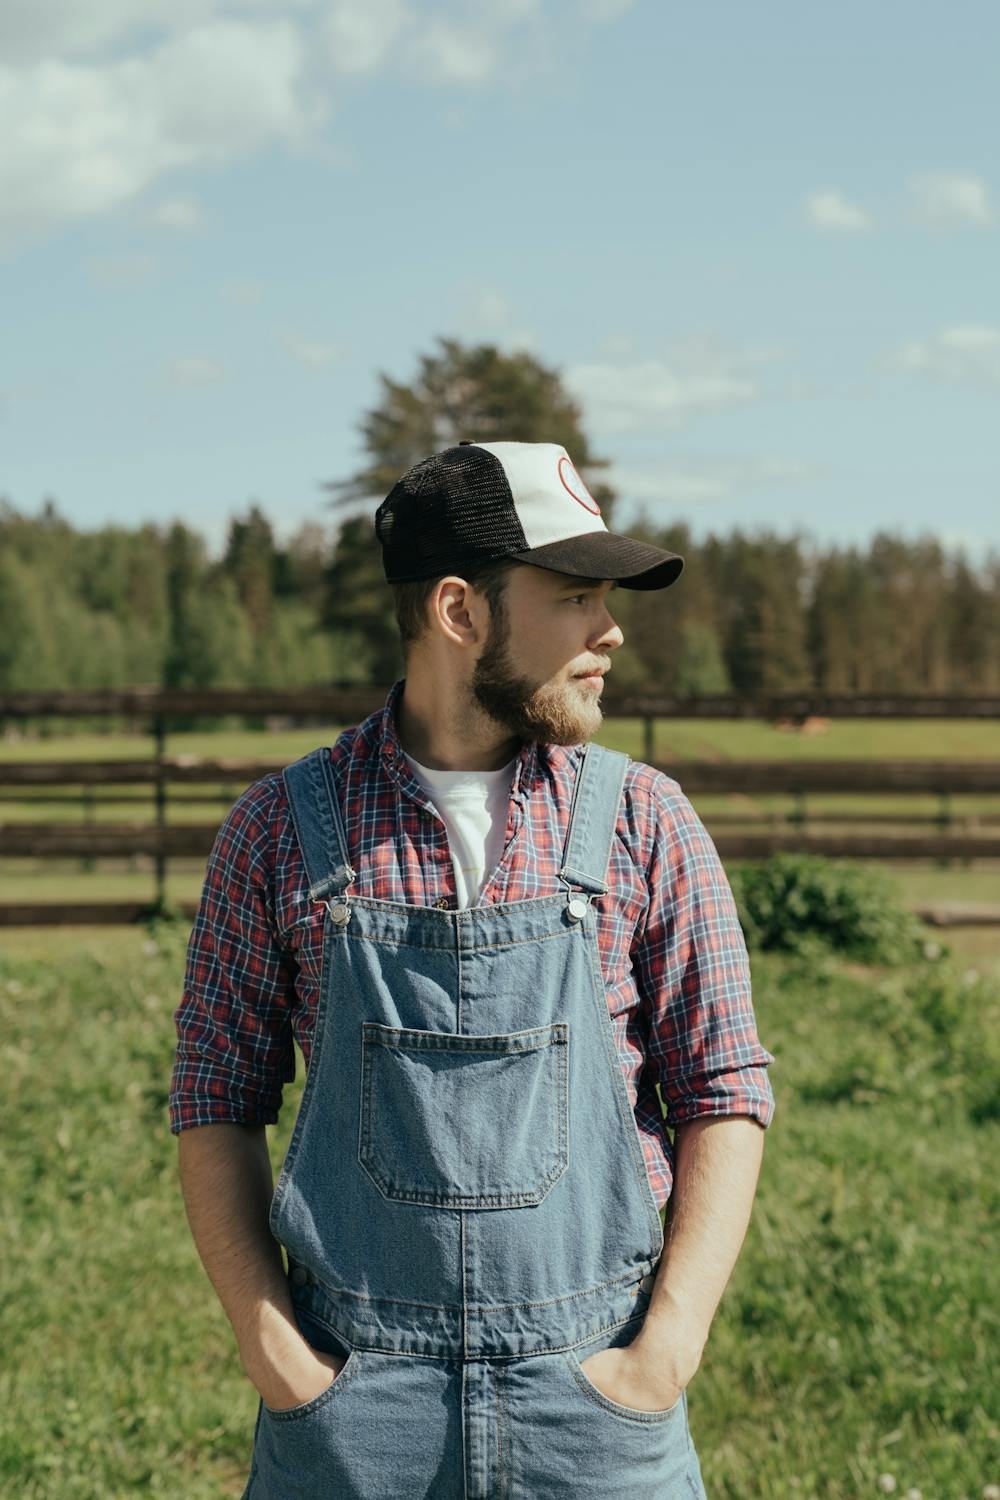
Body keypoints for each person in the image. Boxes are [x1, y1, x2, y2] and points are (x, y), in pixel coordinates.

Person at [169, 439, 776, 1499]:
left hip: (593, 1408)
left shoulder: (644, 822)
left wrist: (663, 1351)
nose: (611, 630)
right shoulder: (278, 833)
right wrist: (279, 1359)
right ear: (461, 611)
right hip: (356, 1423)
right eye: (578, 596)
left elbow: (725, 1088)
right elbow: (214, 1099)